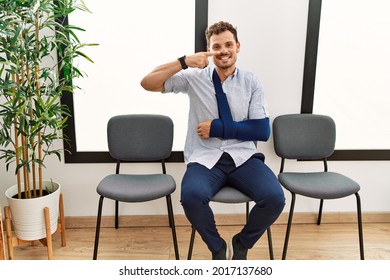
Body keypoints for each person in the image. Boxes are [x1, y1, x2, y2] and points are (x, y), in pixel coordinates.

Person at [141, 21, 285, 260]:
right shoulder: (193, 78)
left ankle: (242, 243)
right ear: (208, 49)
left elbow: (261, 130)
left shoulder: (251, 81)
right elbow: (148, 83)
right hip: (205, 157)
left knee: (274, 198)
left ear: (238, 46)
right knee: (191, 197)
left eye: (229, 44)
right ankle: (217, 246)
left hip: (243, 157)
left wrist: (218, 127)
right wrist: (183, 61)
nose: (223, 50)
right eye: (216, 46)